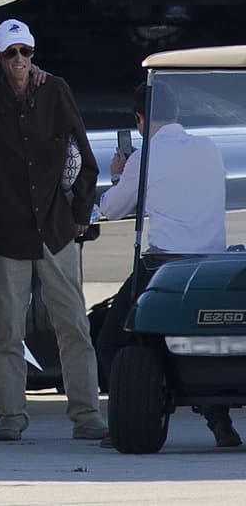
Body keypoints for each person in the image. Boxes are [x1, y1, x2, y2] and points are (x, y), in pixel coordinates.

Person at [0, 18, 108, 442]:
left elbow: (84, 157)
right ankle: (11, 417)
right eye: (11, 52)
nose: (20, 60)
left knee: (73, 325)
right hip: (6, 233)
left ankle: (87, 415)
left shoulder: (56, 91)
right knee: (6, 332)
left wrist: (81, 217)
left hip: (55, 231)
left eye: (26, 52)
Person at [95, 82, 240, 448]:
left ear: (140, 120)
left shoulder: (144, 157)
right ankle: (220, 422)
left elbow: (113, 208)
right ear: (176, 114)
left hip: (164, 266)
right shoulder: (210, 149)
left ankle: (128, 415)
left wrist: (119, 173)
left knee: (111, 342)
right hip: (209, 265)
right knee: (203, 344)